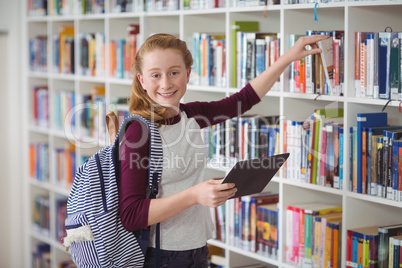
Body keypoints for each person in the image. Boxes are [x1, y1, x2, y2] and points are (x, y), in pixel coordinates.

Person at [118, 33, 329, 267]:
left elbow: (245, 99)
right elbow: (131, 215)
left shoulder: (191, 115)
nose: (166, 83)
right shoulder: (138, 132)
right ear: (142, 80)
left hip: (197, 247)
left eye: (174, 72)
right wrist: (194, 195)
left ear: (188, 74)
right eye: (155, 75)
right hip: (160, 255)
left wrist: (289, 57)